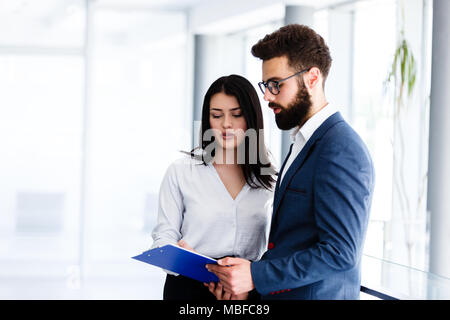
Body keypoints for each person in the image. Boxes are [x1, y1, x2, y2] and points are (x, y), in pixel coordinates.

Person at [206, 24, 375, 300]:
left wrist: (255, 276)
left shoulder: (340, 148)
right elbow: (292, 242)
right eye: (265, 85)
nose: (267, 96)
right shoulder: (305, 140)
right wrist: (250, 281)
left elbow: (340, 253)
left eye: (276, 85)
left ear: (312, 78)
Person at [151, 74, 276, 300]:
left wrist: (247, 287)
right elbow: (163, 238)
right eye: (216, 115)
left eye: (236, 115)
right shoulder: (181, 172)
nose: (226, 124)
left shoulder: (269, 179)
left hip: (245, 292)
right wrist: (180, 258)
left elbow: (276, 248)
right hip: (189, 288)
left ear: (251, 118)